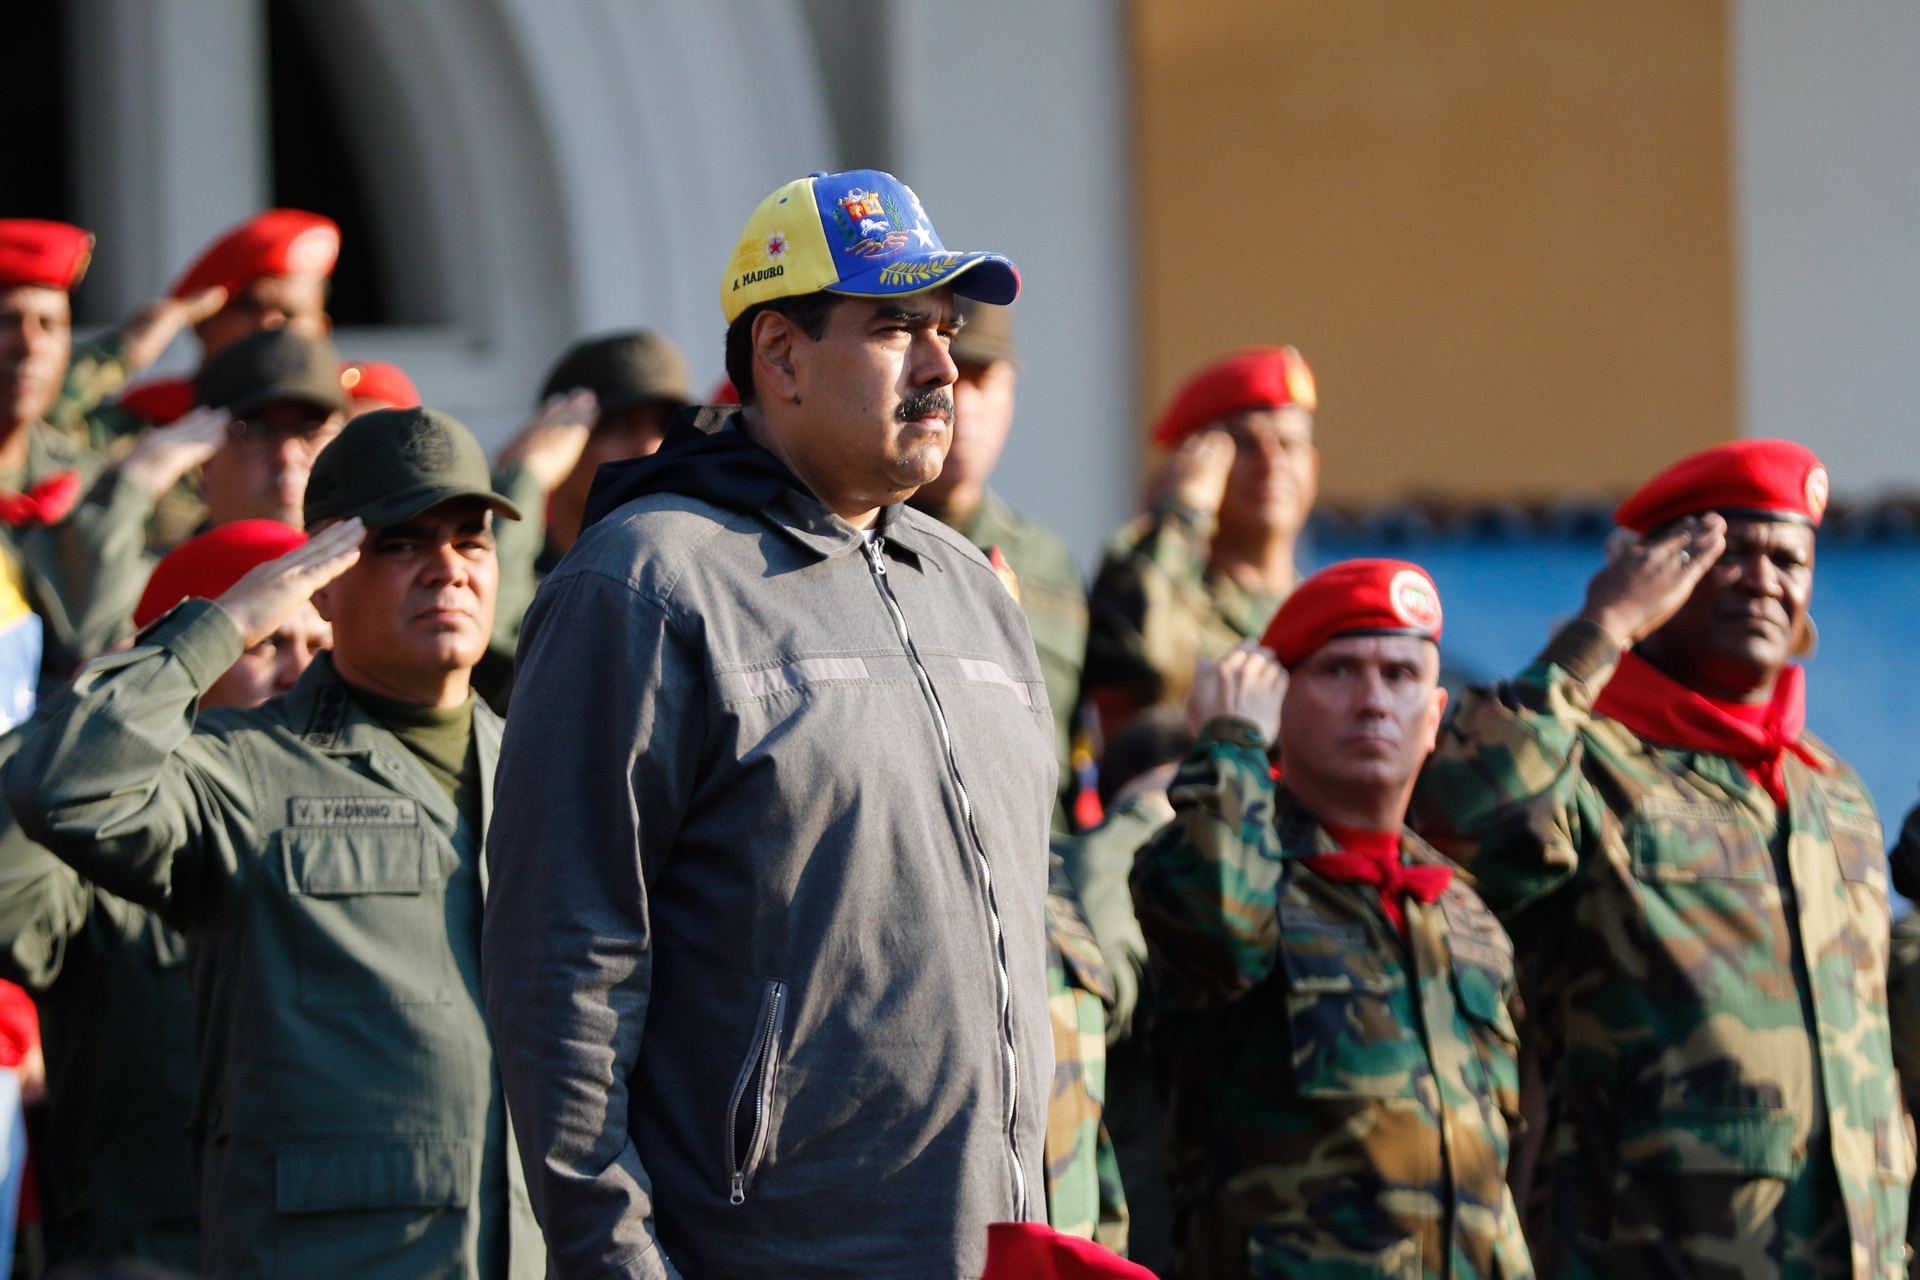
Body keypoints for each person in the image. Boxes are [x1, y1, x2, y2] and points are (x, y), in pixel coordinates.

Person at [483, 167, 1051, 1280]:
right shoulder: (646, 584)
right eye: (896, 327)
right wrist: (613, 1257)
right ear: (781, 358)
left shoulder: (975, 592)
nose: (943, 363)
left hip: (991, 1248)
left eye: (944, 326)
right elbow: (563, 966)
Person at [3, 407, 544, 1278]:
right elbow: (62, 786)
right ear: (319, 580)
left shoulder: (544, 772)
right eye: (401, 543)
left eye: (470, 541)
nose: (446, 568)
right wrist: (224, 620)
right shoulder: (247, 768)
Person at [1412, 439, 1909, 1275]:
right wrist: (1597, 630)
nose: (1763, 578)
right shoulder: (1585, 760)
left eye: (1788, 558)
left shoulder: (1833, 791)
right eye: (1726, 555)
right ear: (1654, 579)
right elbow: (1463, 820)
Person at [1133, 560, 1531, 1279]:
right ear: (1278, 701)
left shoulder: (1463, 911)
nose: (1375, 701)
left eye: (1402, 676)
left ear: (1436, 716)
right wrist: (1229, 740)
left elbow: (1489, 1177)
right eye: (1340, 671)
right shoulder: (1222, 863)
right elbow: (1219, 925)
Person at [0, 520, 323, 1273]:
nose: (299, 675)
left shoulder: (362, 832)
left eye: (319, 649)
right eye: (266, 643)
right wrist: (118, 691)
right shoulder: (89, 852)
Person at [1, 219, 218, 690]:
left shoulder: (83, 475)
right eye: (5, 321)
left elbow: (94, 639)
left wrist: (127, 489)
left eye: (50, 325)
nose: (30, 345)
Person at [907, 299, 1088, 820]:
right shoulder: (859, 534)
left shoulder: (1049, 560)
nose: (962, 402)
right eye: (951, 376)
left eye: (984, 381)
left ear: (1011, 392)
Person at [1083, 346, 1317, 739]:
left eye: (1289, 444)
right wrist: (1183, 512)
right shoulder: (1151, 579)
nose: (1271, 462)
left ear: (1312, 466)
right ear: (1194, 464)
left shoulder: (1318, 611)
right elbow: (1146, 663)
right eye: (1244, 443)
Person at [483, 330, 691, 704]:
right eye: (618, 425)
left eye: (664, 425)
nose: (649, 446)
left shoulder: (697, 574)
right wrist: (525, 476)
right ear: (554, 441)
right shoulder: (522, 573)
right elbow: (493, 650)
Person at [54, 210, 339, 446]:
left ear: (321, 329)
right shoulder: (147, 423)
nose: (269, 324)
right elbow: (40, 432)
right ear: (203, 320)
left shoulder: (338, 428)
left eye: (290, 314)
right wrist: (124, 350)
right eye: (249, 307)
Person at [192, 329, 350, 529]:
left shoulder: (388, 558)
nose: (287, 455)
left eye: (312, 431)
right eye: (257, 432)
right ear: (205, 461)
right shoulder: (154, 560)